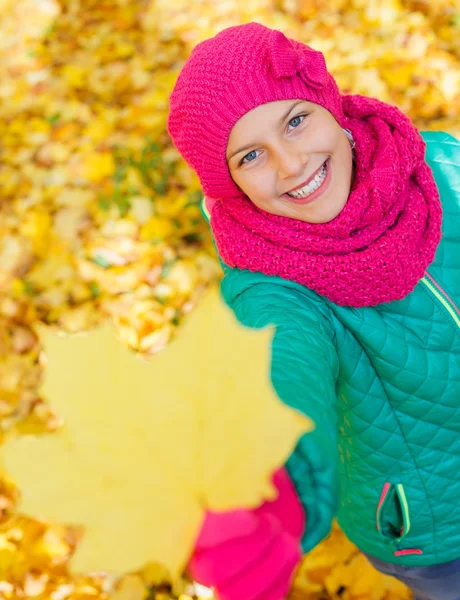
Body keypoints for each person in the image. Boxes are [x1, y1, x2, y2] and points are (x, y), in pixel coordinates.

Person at [167, 22, 460, 600]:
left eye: (295, 121)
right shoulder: (271, 287)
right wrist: (271, 477)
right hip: (439, 523)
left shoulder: (439, 164)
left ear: (329, 106)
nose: (291, 163)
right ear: (228, 185)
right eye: (251, 155)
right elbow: (277, 366)